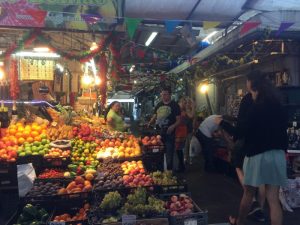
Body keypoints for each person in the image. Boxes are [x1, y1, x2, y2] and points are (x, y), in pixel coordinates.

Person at [216, 71, 288, 225]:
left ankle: (239, 222)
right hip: (277, 154)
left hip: (257, 155)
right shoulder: (277, 104)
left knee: (248, 193)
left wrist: (222, 123)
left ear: (252, 85)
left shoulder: (255, 107)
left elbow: (240, 132)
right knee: (274, 200)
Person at [220, 93, 267, 222]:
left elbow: (240, 128)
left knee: (239, 169)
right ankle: (260, 209)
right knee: (260, 177)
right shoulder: (267, 102)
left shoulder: (248, 100)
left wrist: (223, 124)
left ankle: (252, 205)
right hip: (263, 144)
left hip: (246, 143)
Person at [148, 86, 181, 171]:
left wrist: (173, 126)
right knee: (158, 150)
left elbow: (179, 120)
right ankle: (160, 169)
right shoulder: (159, 104)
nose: (163, 96)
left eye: (165, 94)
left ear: (170, 95)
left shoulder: (175, 105)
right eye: (162, 95)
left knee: (169, 151)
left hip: (169, 132)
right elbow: (155, 115)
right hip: (159, 132)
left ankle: (169, 171)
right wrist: (150, 122)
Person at [175, 97, 194, 172]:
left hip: (182, 131)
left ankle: (181, 166)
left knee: (179, 148)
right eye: (184, 102)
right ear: (180, 101)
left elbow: (191, 116)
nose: (185, 104)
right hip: (178, 130)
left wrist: (192, 106)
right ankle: (181, 165)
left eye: (186, 103)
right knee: (178, 148)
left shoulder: (184, 110)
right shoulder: (177, 109)